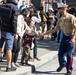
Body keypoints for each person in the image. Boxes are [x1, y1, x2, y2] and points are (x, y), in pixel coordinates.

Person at [41, 3, 76, 75]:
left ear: (64, 9)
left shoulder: (71, 18)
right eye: (59, 9)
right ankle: (63, 64)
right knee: (60, 54)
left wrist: (73, 38)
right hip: (64, 38)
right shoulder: (60, 19)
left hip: (71, 37)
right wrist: (44, 33)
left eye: (60, 9)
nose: (59, 10)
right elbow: (55, 29)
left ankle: (69, 70)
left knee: (69, 55)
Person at [0, 0, 19, 72]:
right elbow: (14, 21)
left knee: (0, 46)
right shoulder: (14, 7)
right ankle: (8, 66)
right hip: (9, 31)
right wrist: (15, 32)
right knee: (9, 48)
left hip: (1, 30)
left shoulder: (1, 6)